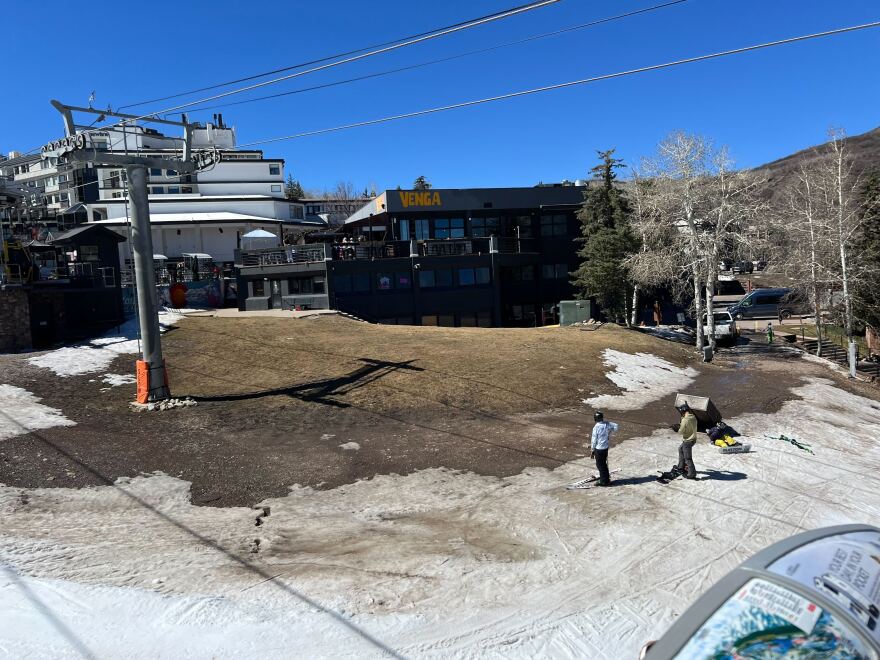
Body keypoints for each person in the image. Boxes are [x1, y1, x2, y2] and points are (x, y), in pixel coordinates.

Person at [590, 411, 618, 486]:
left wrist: (592, 449)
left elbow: (594, 440)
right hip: (605, 448)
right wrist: (609, 432)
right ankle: (606, 478)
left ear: (595, 419)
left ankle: (604, 481)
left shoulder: (596, 427)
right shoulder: (607, 424)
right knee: (603, 464)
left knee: (600, 465)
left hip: (599, 449)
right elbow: (616, 426)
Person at [675, 403, 698, 479]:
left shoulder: (685, 420)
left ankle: (692, 473)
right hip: (693, 438)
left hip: (688, 440)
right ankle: (681, 466)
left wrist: (677, 429)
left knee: (688, 458)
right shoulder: (693, 417)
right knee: (680, 449)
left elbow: (681, 431)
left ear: (683, 411)